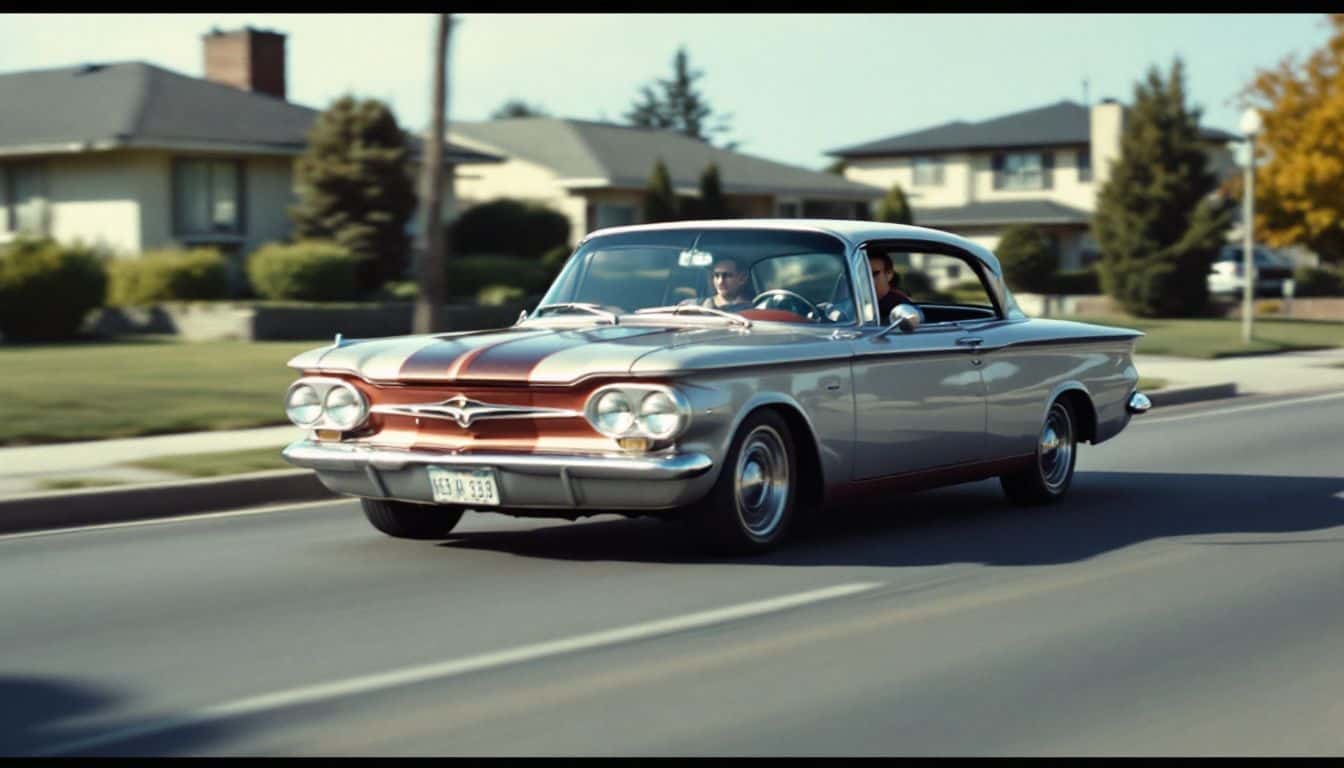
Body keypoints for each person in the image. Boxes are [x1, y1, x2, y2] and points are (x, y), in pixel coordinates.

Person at [870, 251, 915, 323]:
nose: (867, 279)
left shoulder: (899, 303)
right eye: (861, 274)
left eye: (874, 274)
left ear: (889, 275)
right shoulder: (850, 301)